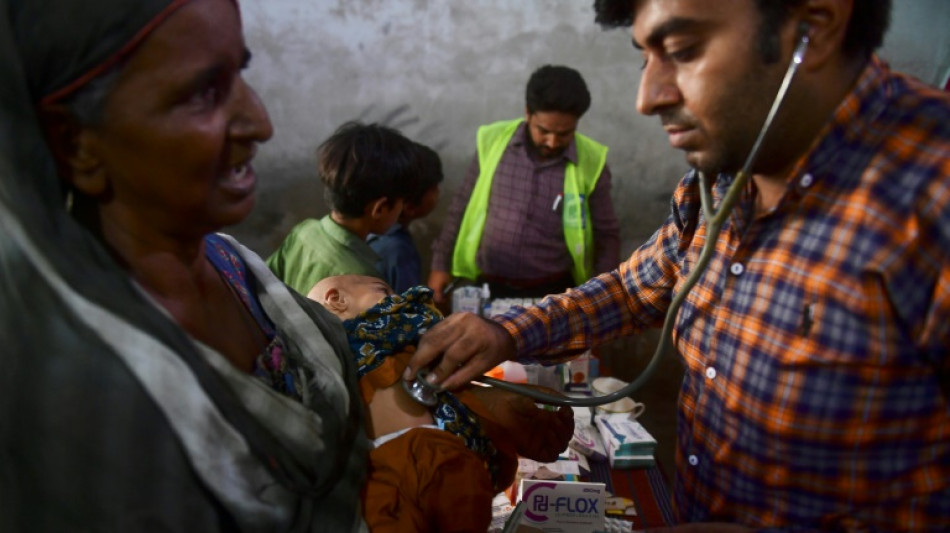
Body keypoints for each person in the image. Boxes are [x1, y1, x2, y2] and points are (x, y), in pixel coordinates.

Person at [406, 0, 950, 531]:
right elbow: (634, 290)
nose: (648, 97)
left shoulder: (931, 195)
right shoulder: (717, 182)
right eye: (646, 58)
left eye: (684, 50)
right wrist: (505, 334)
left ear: (815, 25)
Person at [0, 0, 369, 531]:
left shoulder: (238, 268)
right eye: (202, 92)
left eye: (240, 72)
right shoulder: (71, 401)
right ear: (76, 143)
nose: (260, 123)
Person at [308, 275, 574, 533]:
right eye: (383, 291)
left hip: (433, 456)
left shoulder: (407, 344)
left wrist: (496, 411)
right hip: (383, 468)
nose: (398, 299)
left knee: (462, 500)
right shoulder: (356, 341)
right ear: (336, 299)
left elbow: (454, 402)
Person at [428, 64, 621, 303]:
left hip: (554, 294)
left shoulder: (591, 163)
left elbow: (607, 235)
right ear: (528, 113)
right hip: (489, 287)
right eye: (544, 131)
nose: (552, 142)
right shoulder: (493, 143)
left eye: (564, 134)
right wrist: (440, 264)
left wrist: (599, 292)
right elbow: (461, 205)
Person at [266, 121, 419, 295]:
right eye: (402, 203)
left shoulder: (303, 231)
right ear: (380, 208)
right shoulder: (363, 280)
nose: (402, 211)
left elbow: (263, 281)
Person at [368, 142, 444, 293]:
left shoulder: (365, 233)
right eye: (434, 187)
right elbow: (409, 313)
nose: (438, 191)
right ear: (409, 206)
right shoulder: (400, 252)